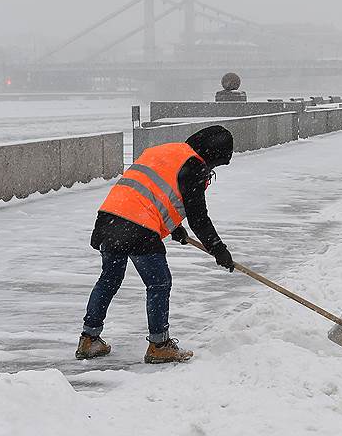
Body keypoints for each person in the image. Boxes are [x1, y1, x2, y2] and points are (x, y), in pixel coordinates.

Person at [76, 125, 236, 364]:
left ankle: (89, 339)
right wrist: (218, 250)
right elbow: (199, 218)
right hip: (138, 228)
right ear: (212, 155)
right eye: (216, 164)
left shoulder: (165, 151)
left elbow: (152, 192)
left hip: (110, 218)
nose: (211, 170)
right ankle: (159, 345)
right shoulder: (193, 166)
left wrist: (173, 227)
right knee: (159, 282)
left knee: (109, 278)